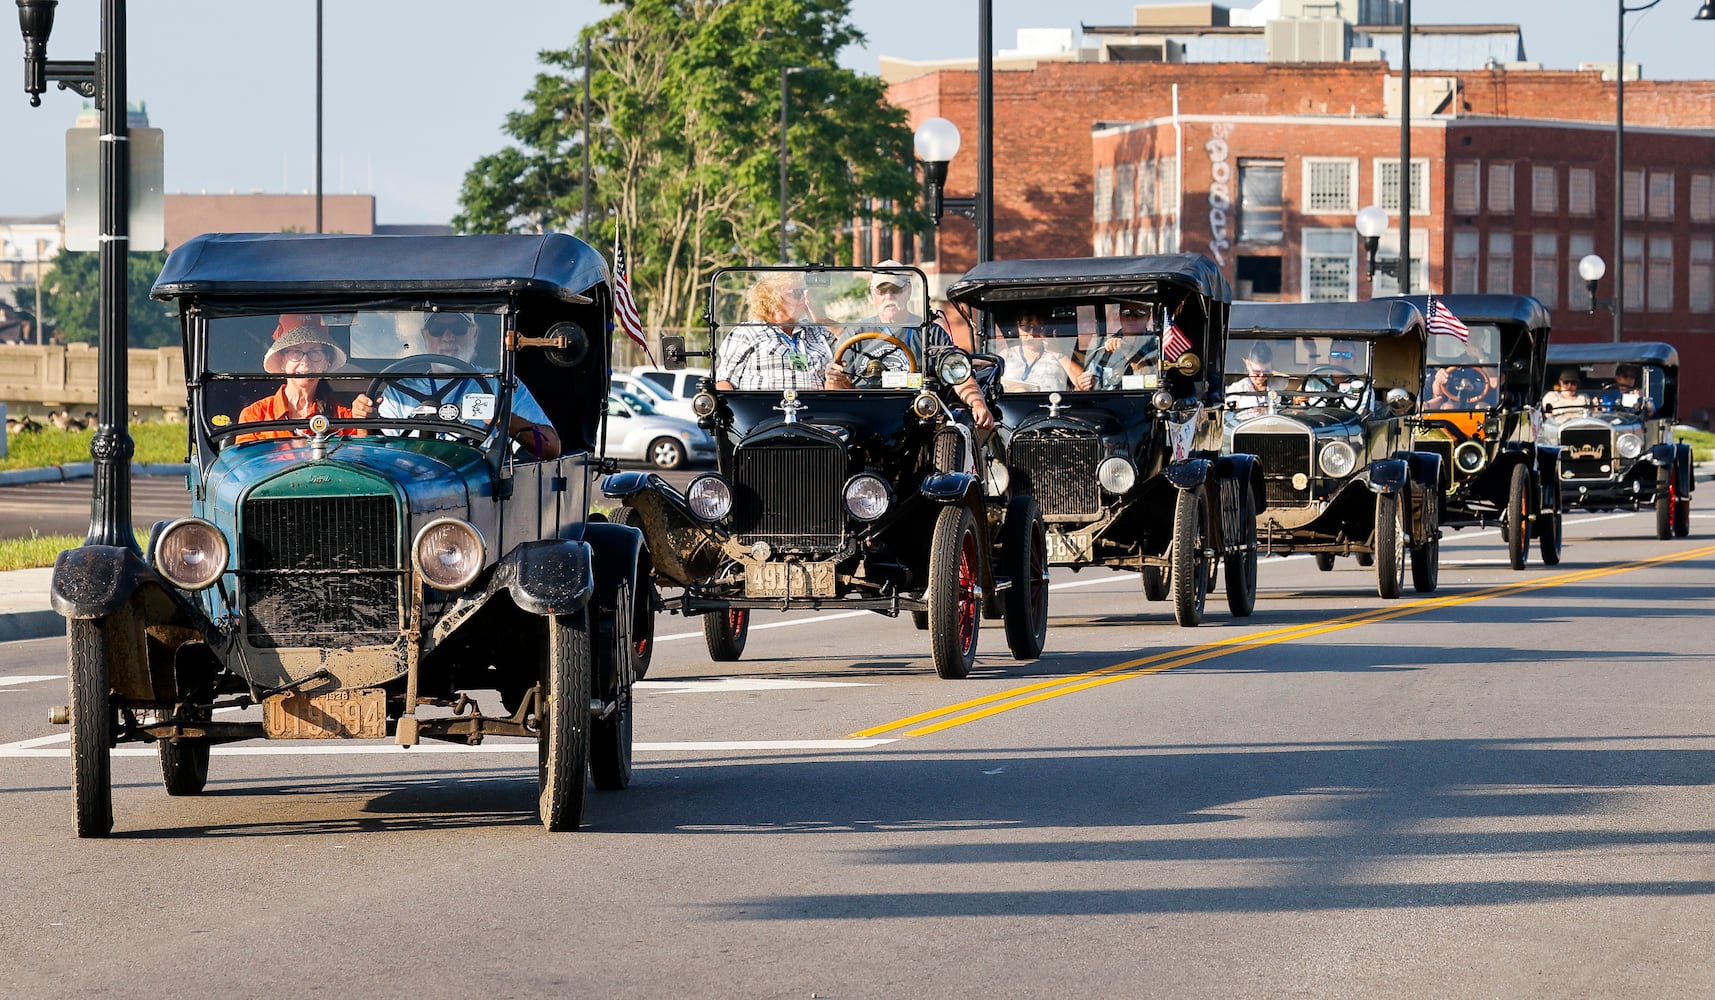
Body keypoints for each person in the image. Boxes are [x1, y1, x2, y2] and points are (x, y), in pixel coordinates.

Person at [351, 311, 561, 459]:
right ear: (425, 336)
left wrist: (504, 419)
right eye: (437, 329)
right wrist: (364, 422)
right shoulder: (399, 392)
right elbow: (374, 458)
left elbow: (549, 448)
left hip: (481, 491)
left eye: (458, 328)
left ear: (474, 333)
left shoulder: (500, 384)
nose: (448, 337)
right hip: (412, 488)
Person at [824, 262, 993, 428]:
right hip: (865, 416)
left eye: (895, 289)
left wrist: (977, 403)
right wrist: (834, 378)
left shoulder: (931, 333)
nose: (889, 296)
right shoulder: (855, 334)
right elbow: (836, 390)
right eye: (882, 290)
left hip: (916, 417)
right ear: (872, 294)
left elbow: (958, 374)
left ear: (908, 291)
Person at [235, 320, 361, 443]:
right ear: (282, 361)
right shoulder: (255, 416)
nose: (305, 363)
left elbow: (360, 457)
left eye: (314, 352)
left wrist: (363, 420)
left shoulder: (344, 417)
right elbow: (246, 462)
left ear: (326, 361)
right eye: (296, 352)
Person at [714, 273, 835, 391]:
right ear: (774, 300)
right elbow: (724, 382)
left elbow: (849, 346)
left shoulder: (818, 331)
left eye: (805, 292)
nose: (805, 298)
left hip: (818, 408)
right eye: (797, 293)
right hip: (764, 408)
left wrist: (822, 319)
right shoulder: (747, 332)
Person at [997, 311, 1093, 391]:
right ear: (1018, 327)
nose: (1032, 333)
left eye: (1038, 328)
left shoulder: (1059, 354)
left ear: (1045, 328)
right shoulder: (1006, 355)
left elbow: (1083, 382)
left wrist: (1056, 352)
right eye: (1026, 327)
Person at [1082, 304, 1158, 390]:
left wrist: (1126, 349)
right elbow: (1093, 380)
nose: (1131, 318)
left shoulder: (1157, 343)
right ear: (1119, 315)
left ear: (1148, 316)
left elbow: (1153, 379)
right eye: (1126, 313)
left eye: (1139, 313)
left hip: (1146, 400)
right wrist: (1085, 383)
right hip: (1110, 400)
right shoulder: (1104, 345)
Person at [1424, 344, 1499, 411]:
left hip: (1482, 401)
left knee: (1481, 407)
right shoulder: (1453, 362)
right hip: (1455, 402)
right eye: (1470, 339)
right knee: (1448, 407)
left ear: (1482, 339)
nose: (1473, 343)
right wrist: (1439, 380)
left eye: (1476, 337)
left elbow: (1494, 383)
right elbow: (1437, 392)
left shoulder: (1492, 360)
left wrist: (1481, 356)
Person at [1225, 342, 1276, 412]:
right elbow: (1227, 415)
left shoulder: (1280, 384)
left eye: (1266, 372)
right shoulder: (1236, 389)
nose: (1261, 376)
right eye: (1257, 372)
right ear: (1248, 365)